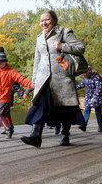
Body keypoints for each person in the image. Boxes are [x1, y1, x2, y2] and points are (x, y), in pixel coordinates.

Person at [20, 10, 86, 147]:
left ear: (54, 20)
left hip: (62, 78)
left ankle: (65, 136)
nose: (44, 23)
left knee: (65, 107)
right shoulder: (39, 38)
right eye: (41, 20)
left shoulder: (64, 32)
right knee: (40, 104)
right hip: (44, 79)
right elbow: (37, 61)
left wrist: (63, 46)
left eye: (47, 20)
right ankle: (35, 136)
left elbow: (81, 47)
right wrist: (34, 81)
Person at [0, 47, 34, 142]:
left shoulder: (11, 72)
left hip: (5, 98)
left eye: (0, 63)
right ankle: (9, 129)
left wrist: (30, 84)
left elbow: (21, 79)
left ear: (5, 62)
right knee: (2, 116)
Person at [76, 66, 102, 132]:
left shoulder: (96, 77)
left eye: (85, 75)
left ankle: (100, 126)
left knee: (98, 112)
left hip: (96, 96)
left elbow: (99, 87)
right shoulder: (86, 79)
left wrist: (95, 96)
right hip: (89, 96)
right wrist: (73, 88)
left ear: (89, 73)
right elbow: (81, 85)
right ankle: (84, 125)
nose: (84, 77)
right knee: (87, 110)